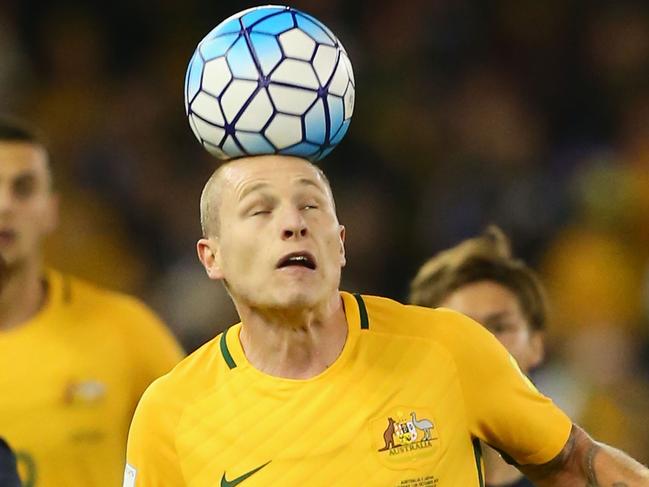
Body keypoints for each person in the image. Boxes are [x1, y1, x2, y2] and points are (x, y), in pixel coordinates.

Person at [125, 154, 649, 486]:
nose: (292, 224)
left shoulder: (447, 348)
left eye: (311, 207)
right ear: (209, 256)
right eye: (260, 211)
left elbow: (576, 463)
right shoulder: (170, 414)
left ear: (341, 243)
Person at [0, 117, 185, 487]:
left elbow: (199, 455)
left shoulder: (126, 330)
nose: (3, 205)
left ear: (52, 210)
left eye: (23, 188)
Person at [409, 226, 546, 487]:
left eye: (500, 327)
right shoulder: (381, 476)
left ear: (536, 345)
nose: (482, 345)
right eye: (461, 329)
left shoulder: (584, 476)